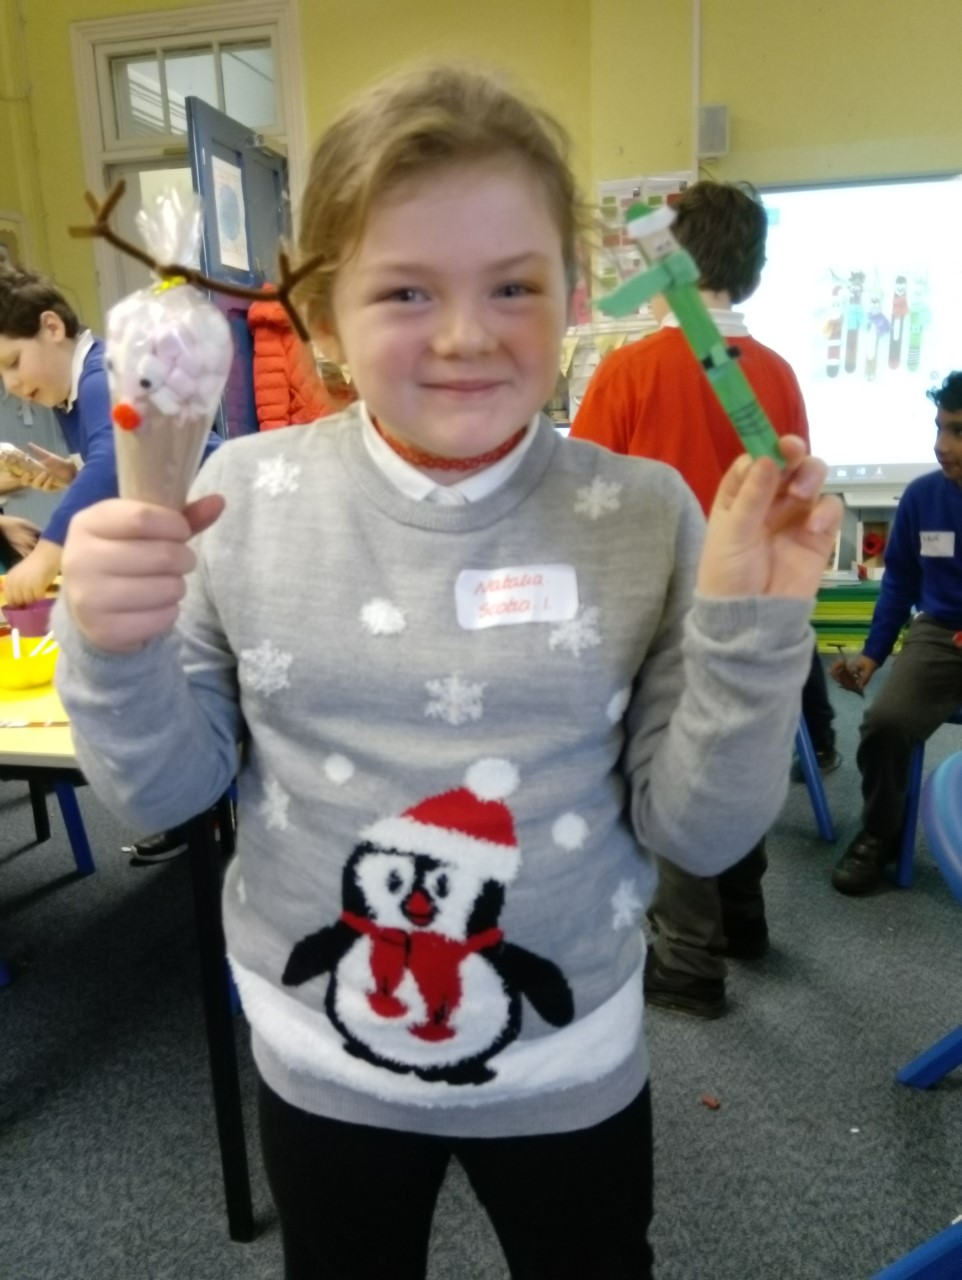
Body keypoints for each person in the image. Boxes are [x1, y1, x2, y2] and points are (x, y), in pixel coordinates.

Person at [53, 63, 840, 1279]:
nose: (468, 334)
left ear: (571, 296)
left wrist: (753, 621)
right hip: (321, 1056)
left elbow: (698, 827)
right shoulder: (240, 499)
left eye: (513, 286)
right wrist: (112, 642)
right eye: (406, 289)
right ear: (322, 317)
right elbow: (162, 793)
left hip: (567, 1060)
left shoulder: (644, 513)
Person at [571, 179, 838, 1017]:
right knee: (735, 753)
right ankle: (744, 915)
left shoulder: (629, 371)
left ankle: (687, 959)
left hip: (662, 613)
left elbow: (582, 504)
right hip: (755, 609)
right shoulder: (779, 374)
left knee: (675, 771)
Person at [0, 262, 221, 865]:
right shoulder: (77, 392)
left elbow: (115, 463)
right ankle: (194, 810)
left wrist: (47, 557)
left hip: (216, 525)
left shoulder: (100, 375)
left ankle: (209, 809)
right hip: (183, 539)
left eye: (14, 362)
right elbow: (123, 456)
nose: (12, 385)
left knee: (198, 677)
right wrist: (73, 471)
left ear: (52, 328)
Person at [829, 370, 962, 895]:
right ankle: (881, 831)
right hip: (940, 634)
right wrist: (873, 654)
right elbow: (901, 581)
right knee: (884, 724)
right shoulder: (923, 497)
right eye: (939, 428)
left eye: (957, 431)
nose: (941, 445)